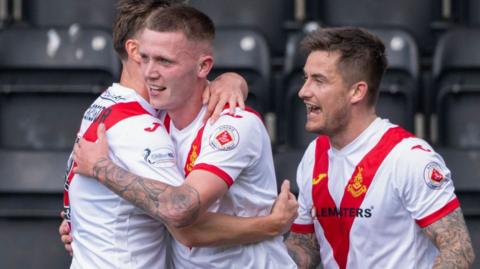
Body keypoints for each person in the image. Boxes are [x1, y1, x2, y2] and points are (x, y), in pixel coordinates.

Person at [60, 1, 298, 268]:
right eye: (146, 58)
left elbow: (180, 214)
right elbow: (182, 224)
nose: (150, 72)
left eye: (163, 60)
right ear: (136, 51)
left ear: (203, 66)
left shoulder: (228, 124)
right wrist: (269, 225)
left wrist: (233, 80)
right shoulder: (148, 122)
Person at [283, 27, 475, 269]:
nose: (303, 91)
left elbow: (459, 250)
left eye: (318, 80)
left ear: (357, 91)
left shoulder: (407, 157)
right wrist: (266, 242)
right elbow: (306, 245)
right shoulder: (315, 153)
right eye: (305, 78)